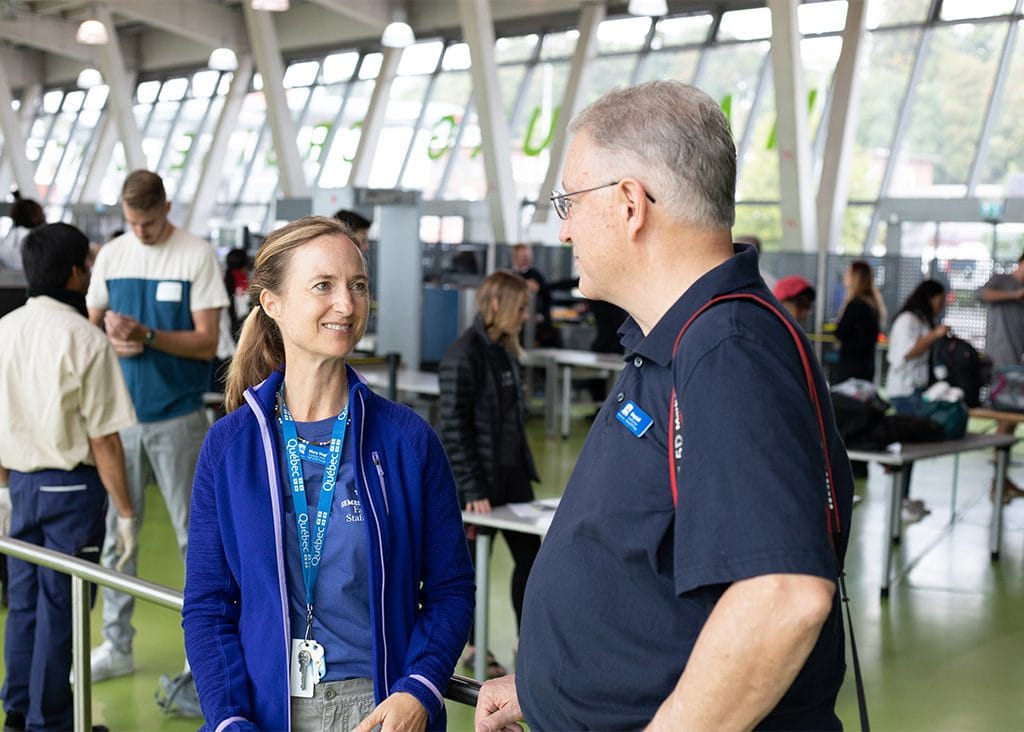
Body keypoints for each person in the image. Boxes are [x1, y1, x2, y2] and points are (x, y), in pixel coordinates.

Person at [475, 80, 854, 731]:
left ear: (629, 204)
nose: (562, 229)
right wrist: (548, 685)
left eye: (569, 200)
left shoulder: (727, 350)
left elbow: (783, 596)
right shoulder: (676, 341)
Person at [182, 215, 473, 732]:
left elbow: (450, 588)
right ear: (271, 302)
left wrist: (420, 690)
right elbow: (208, 607)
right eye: (323, 286)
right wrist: (228, 719)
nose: (347, 304)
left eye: (358, 286)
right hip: (267, 711)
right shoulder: (230, 448)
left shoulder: (406, 441)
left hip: (384, 712)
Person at [85, 169, 229, 681]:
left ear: (165, 208)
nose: (140, 232)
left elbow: (207, 341)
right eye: (132, 223)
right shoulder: (113, 255)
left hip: (179, 417)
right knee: (116, 534)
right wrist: (111, 333)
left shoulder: (196, 255)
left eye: (147, 222)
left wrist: (145, 334)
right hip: (120, 417)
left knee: (197, 538)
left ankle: (202, 651)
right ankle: (116, 644)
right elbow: (93, 322)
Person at [0, 223, 137, 732]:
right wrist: (126, 513)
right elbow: (104, 439)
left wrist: (3, 491)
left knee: (25, 603)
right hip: (72, 490)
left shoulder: (4, 329)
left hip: (20, 487)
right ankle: (52, 721)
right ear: (77, 272)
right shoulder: (85, 339)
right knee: (64, 607)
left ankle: (18, 710)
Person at [438, 270, 541, 680]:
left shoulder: (505, 353)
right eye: (520, 308)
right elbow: (453, 426)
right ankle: (475, 648)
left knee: (532, 559)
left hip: (513, 478)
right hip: (480, 484)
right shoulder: (463, 355)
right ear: (496, 305)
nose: (526, 317)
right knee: (475, 571)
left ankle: (526, 639)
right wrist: (472, 487)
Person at [885, 279, 950, 521]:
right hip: (904, 391)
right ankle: (899, 501)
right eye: (939, 300)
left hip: (916, 389)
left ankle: (904, 497)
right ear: (929, 297)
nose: (940, 305)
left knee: (911, 447)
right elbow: (906, 353)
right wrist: (934, 336)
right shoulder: (907, 321)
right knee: (907, 447)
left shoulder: (920, 321)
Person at [978, 251, 1024, 501]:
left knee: (1012, 422)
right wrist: (1014, 295)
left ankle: (1003, 481)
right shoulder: (1000, 280)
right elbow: (981, 294)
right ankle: (997, 484)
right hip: (1000, 363)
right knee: (1005, 421)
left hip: (1018, 365)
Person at [835, 259, 886, 384]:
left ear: (856, 277)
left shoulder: (856, 304)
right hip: (866, 365)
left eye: (848, 272)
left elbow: (841, 332)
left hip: (851, 368)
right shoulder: (872, 303)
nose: (845, 276)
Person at [509, 243, 557, 347]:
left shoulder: (536, 275)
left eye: (528, 257)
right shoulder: (507, 275)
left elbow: (548, 298)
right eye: (524, 256)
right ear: (514, 257)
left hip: (534, 328)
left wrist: (540, 316)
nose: (527, 260)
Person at [1, 191, 46, 270]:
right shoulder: (39, 242)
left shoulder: (6, 241)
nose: (44, 217)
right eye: (41, 213)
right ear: (34, 218)